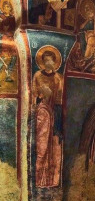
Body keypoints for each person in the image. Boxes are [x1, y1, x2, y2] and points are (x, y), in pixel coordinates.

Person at [32, 47, 64, 188]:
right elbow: (33, 96)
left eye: (51, 60)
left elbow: (59, 100)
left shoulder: (58, 78)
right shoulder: (37, 76)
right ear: (43, 62)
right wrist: (41, 95)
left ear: (54, 62)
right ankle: (40, 180)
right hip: (42, 114)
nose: (48, 63)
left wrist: (58, 123)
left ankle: (52, 181)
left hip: (54, 114)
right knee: (42, 147)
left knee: (55, 147)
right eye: (46, 60)